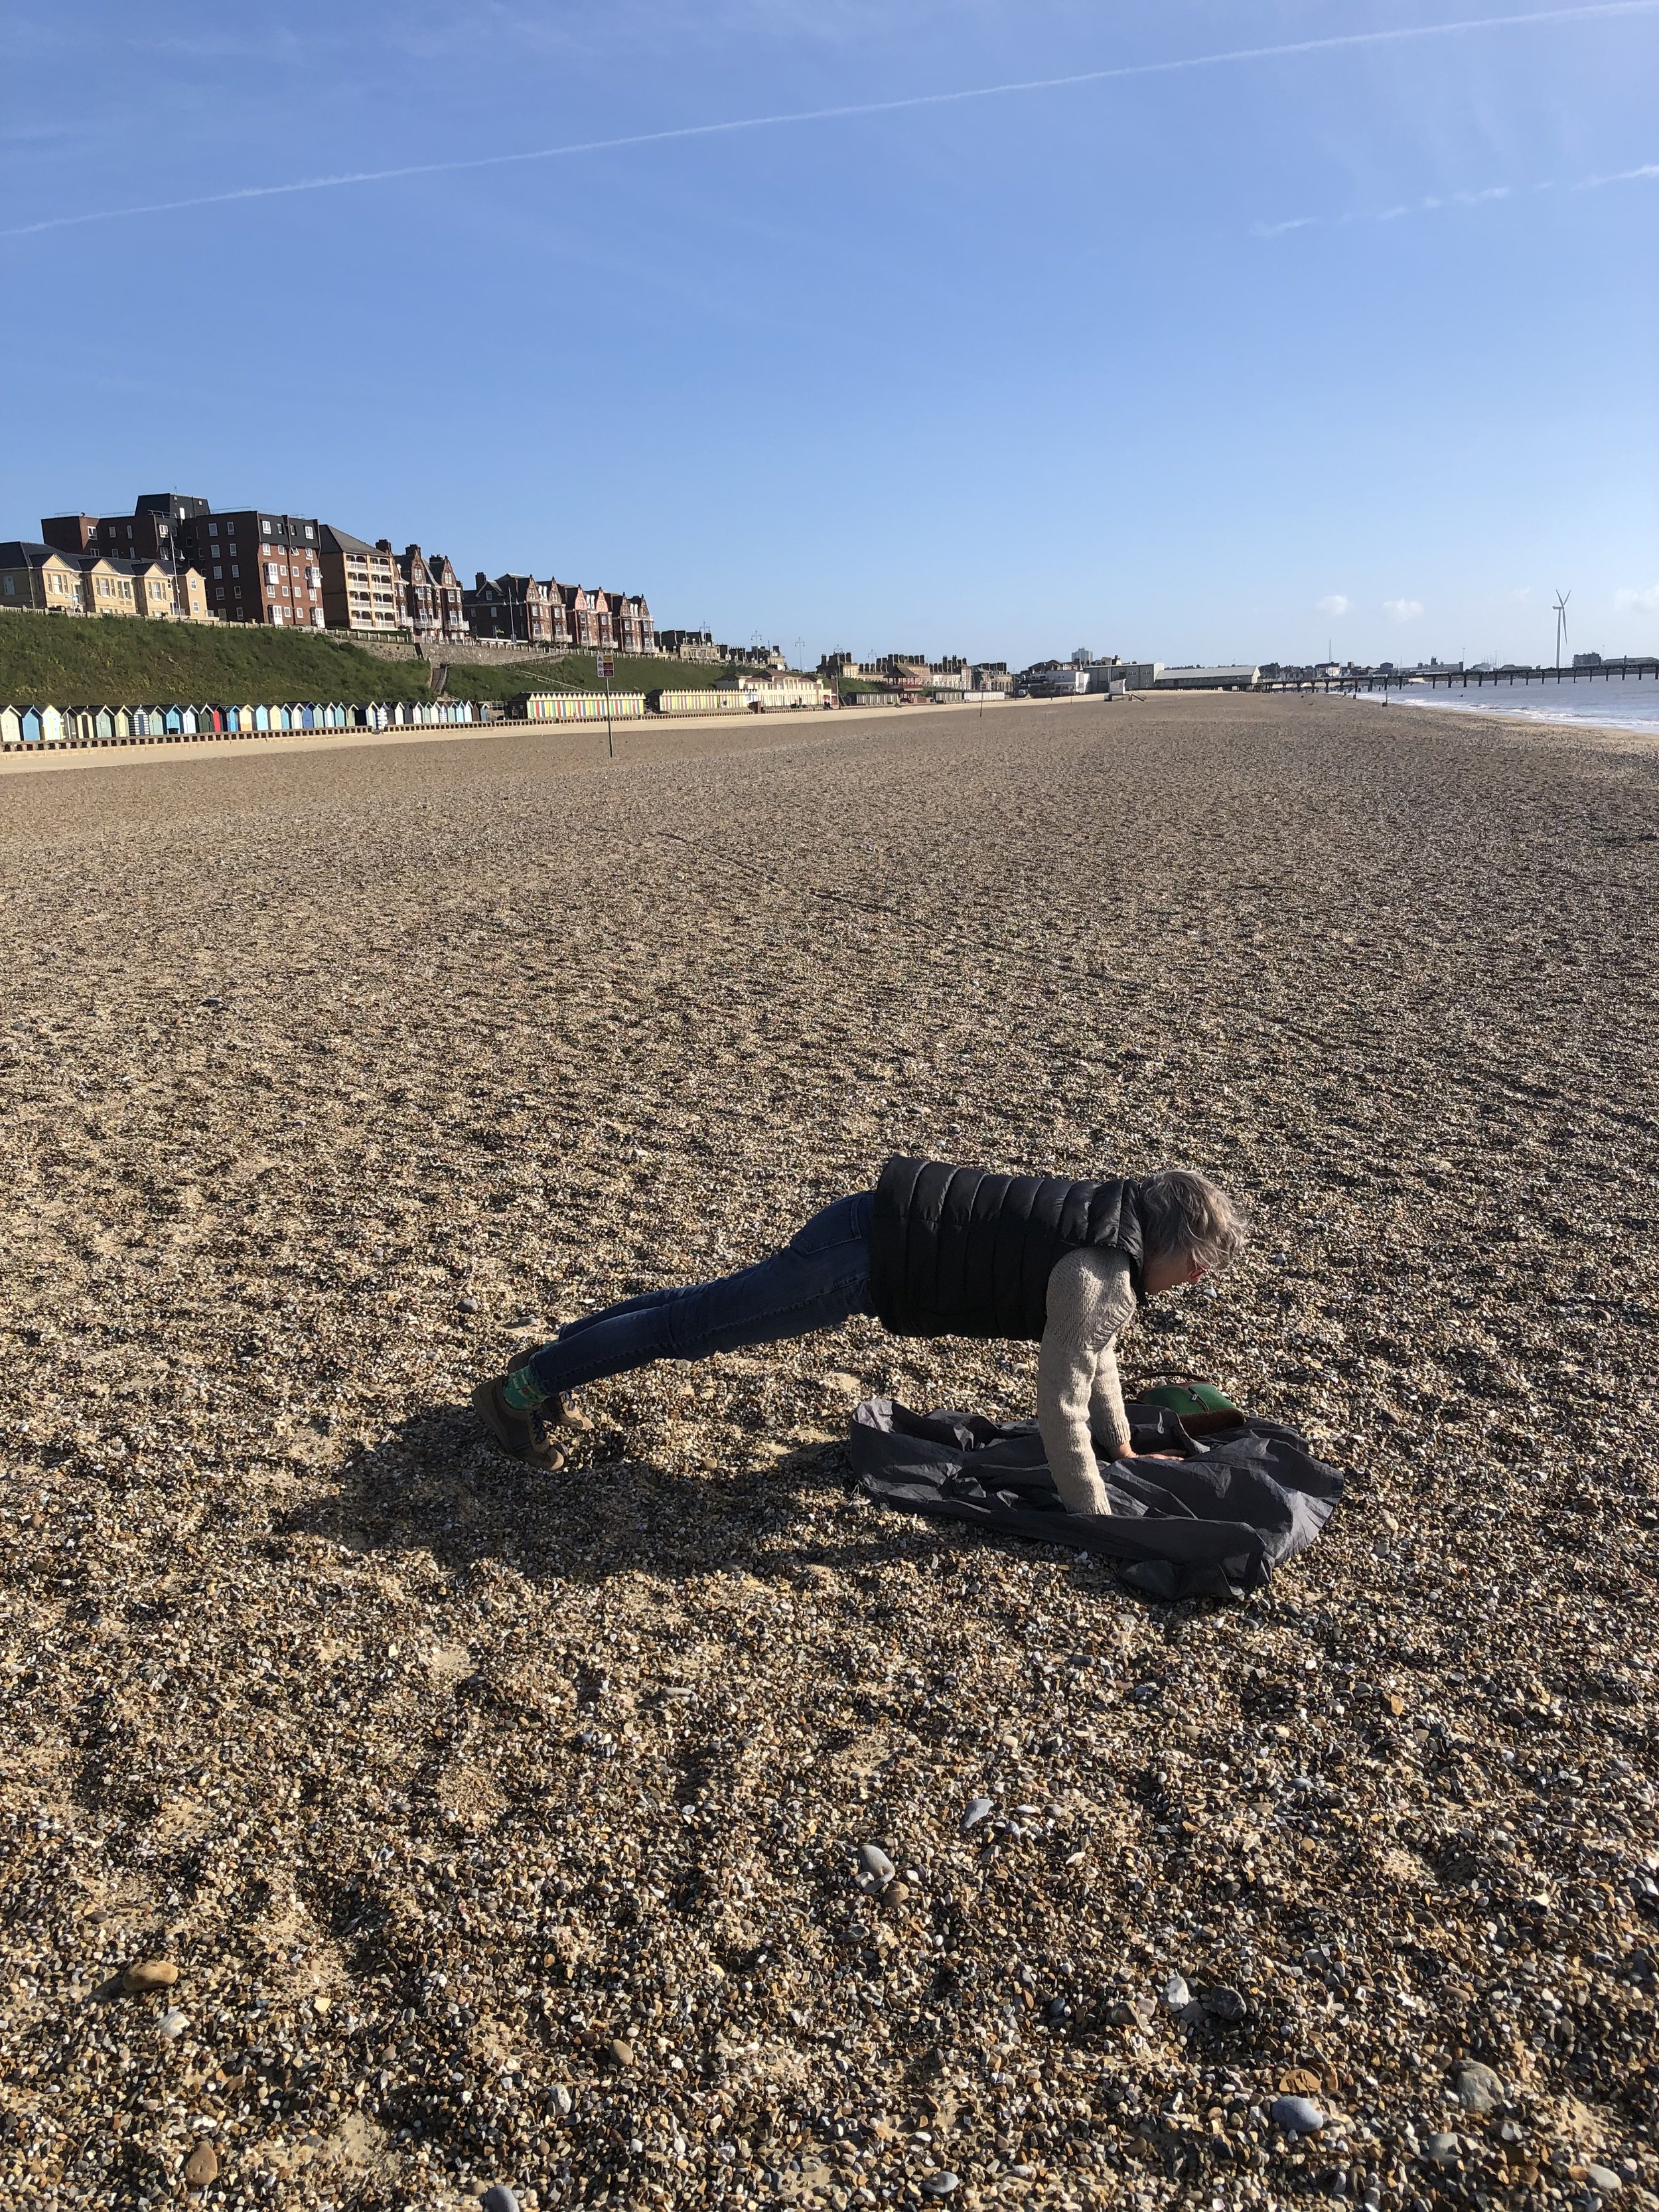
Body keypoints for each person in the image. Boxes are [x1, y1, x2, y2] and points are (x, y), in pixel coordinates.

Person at [473, 1155, 1248, 1516]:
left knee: (700, 1309)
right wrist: (1093, 1512)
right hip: (858, 1263)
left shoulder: (1112, 1230)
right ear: (1172, 1241)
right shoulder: (1100, 1275)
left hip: (864, 1226)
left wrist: (1121, 1450)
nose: (1197, 1280)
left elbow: (1097, 1354)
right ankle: (518, 1393)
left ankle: (545, 1363)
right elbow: (1060, 1404)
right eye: (1199, 1265)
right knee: (695, 1326)